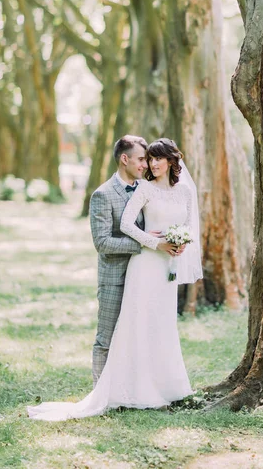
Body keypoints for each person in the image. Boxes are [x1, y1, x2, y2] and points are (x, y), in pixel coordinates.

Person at [27, 138, 202, 421]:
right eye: (146, 159)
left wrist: (179, 243)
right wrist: (153, 244)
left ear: (171, 161)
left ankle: (165, 386)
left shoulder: (182, 191)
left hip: (166, 267)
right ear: (126, 160)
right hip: (142, 266)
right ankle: (109, 391)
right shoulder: (128, 190)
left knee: (162, 325)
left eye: (155, 159)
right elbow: (117, 230)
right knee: (119, 332)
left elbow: (187, 224)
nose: (150, 164)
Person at [89, 135, 176, 386]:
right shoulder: (103, 195)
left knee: (138, 336)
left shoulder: (149, 189)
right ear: (124, 159)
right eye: (140, 160)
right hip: (115, 277)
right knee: (107, 337)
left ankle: (131, 388)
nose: (146, 165)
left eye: (147, 160)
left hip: (146, 277)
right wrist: (145, 243)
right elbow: (102, 243)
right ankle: (100, 391)